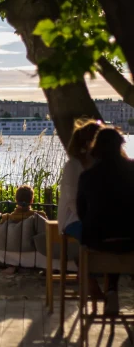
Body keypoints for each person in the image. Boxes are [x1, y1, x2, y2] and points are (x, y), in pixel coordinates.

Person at [77, 128, 134, 315]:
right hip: (131, 241)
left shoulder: (87, 177)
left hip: (98, 242)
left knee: (110, 235)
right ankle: (113, 290)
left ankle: (111, 291)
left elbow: (81, 212)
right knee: (122, 234)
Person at [57, 119, 103, 241]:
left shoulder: (99, 165)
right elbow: (73, 201)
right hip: (73, 220)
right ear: (89, 144)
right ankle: (88, 259)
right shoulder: (72, 166)